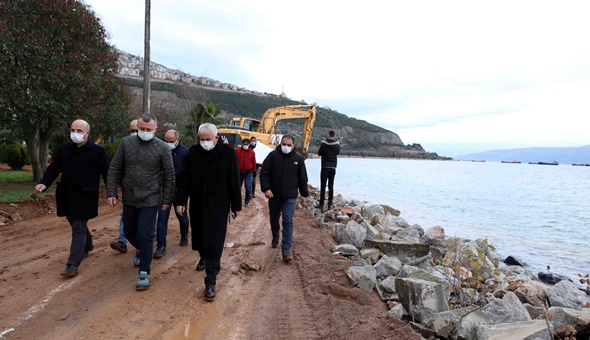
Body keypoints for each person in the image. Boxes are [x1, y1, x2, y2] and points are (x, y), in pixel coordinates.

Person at [106, 113, 175, 291]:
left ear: (155, 129)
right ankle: (142, 250)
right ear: (136, 127)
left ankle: (144, 271)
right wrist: (111, 192)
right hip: (129, 197)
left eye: (148, 129)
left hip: (150, 198)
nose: (144, 132)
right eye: (141, 129)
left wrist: (167, 199)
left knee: (144, 233)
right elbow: (114, 167)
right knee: (129, 231)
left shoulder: (162, 148)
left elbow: (169, 175)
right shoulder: (126, 144)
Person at [176, 123, 241, 301]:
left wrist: (236, 205)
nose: (204, 143)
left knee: (214, 242)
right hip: (197, 203)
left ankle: (210, 282)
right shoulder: (193, 153)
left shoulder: (228, 154)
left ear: (216, 138)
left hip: (218, 206)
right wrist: (181, 200)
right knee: (200, 238)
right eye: (202, 140)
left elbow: (234, 179)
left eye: (208, 140)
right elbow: (184, 178)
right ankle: (203, 257)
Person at [35, 119, 109, 277]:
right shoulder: (64, 149)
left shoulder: (97, 151)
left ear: (87, 133)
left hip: (86, 195)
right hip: (67, 194)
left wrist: (112, 192)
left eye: (79, 131)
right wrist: (44, 183)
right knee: (73, 221)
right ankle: (87, 244)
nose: (75, 133)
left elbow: (106, 173)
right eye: (73, 130)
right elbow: (54, 168)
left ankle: (72, 263)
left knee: (78, 227)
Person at [260, 135, 309, 263]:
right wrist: (266, 189)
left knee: (288, 221)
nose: (286, 147)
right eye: (284, 144)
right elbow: (264, 172)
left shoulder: (298, 159)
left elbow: (302, 178)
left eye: (289, 145)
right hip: (274, 196)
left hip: (290, 197)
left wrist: (304, 194)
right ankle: (275, 235)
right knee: (274, 219)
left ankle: (286, 250)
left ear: (293, 146)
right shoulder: (272, 156)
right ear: (280, 144)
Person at [153, 129, 190, 259]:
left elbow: (187, 177)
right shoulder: (160, 151)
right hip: (164, 192)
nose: (168, 143)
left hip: (179, 192)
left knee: (182, 216)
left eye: (171, 141)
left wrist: (183, 199)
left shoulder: (185, 153)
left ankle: (184, 234)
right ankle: (161, 246)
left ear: (177, 140)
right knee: (162, 219)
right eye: (166, 141)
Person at [109, 119, 137, 254]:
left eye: (137, 130)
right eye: (132, 131)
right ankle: (122, 241)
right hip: (129, 191)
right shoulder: (125, 145)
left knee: (145, 221)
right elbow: (116, 167)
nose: (135, 133)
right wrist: (113, 189)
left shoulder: (157, 147)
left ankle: (142, 248)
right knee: (125, 216)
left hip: (149, 194)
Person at [315, 130, 340, 212]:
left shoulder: (324, 144)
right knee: (331, 185)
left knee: (323, 185)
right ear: (334, 135)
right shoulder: (337, 145)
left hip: (325, 166)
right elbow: (337, 153)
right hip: (332, 167)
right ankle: (330, 203)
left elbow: (319, 153)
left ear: (328, 135)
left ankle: (321, 203)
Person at [235, 138, 257, 207]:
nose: (245, 146)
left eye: (247, 144)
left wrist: (254, 172)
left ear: (249, 144)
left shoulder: (252, 152)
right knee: (238, 187)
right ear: (242, 144)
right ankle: (237, 201)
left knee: (248, 187)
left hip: (248, 172)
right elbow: (234, 161)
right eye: (244, 144)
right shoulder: (237, 151)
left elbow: (253, 162)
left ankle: (247, 201)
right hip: (239, 172)